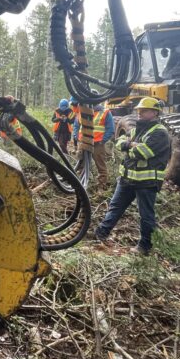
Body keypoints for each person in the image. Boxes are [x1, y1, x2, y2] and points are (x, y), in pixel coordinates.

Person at [91, 97, 170, 256]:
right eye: (139, 111)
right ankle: (101, 233)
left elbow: (143, 153)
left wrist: (130, 146)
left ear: (155, 113)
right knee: (115, 207)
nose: (139, 113)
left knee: (146, 215)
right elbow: (119, 142)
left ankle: (145, 246)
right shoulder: (137, 129)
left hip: (146, 182)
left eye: (144, 111)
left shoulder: (160, 133)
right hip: (127, 179)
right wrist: (130, 145)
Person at [73, 103, 115, 188]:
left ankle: (101, 185)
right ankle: (80, 183)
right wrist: (76, 136)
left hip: (97, 143)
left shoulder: (105, 112)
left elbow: (110, 128)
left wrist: (103, 140)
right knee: (81, 162)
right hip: (83, 142)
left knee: (100, 164)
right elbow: (76, 126)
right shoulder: (82, 111)